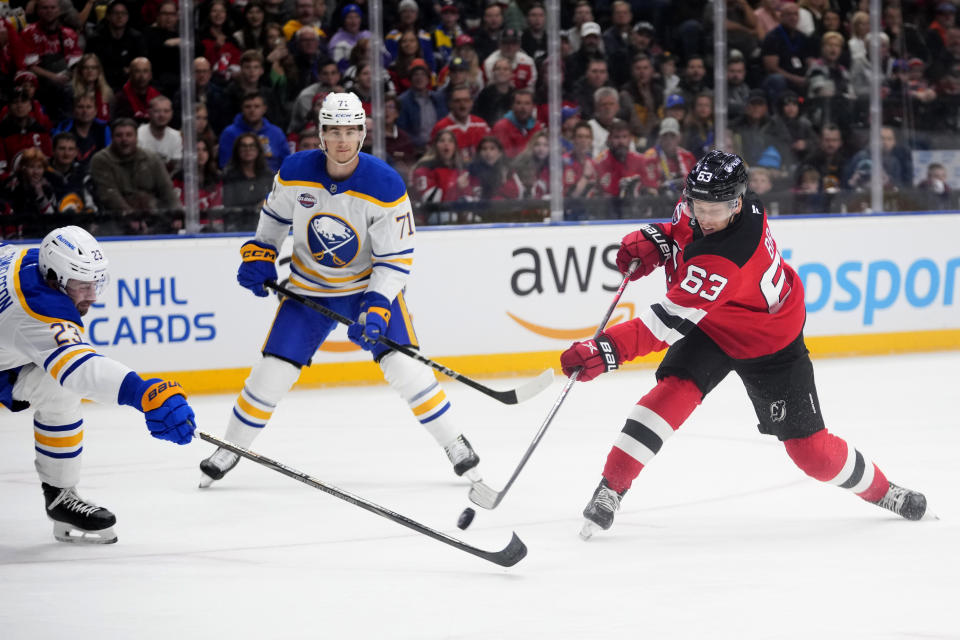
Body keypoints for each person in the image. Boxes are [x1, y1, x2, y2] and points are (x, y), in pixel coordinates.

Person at [559, 150, 930, 540]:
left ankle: (885, 491)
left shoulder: (729, 257)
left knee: (812, 454)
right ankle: (611, 487)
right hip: (714, 322)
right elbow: (684, 233)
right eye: (696, 204)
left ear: (737, 203)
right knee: (671, 393)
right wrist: (660, 239)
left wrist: (606, 350)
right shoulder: (712, 205)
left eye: (714, 209)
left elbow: (663, 323)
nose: (704, 215)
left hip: (769, 343)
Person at [197, 92, 485, 489]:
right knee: (271, 372)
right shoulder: (296, 170)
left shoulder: (384, 184)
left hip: (366, 289)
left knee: (404, 367)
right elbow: (274, 218)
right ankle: (232, 447)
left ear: (363, 133)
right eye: (334, 130)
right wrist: (261, 254)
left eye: (351, 130)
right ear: (321, 134)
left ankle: (455, 442)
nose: (343, 139)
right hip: (309, 290)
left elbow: (396, 257)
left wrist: (378, 305)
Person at [0, 226, 196, 543]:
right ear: (53, 277)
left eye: (96, 283)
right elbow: (80, 369)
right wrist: (144, 393)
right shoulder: (39, 308)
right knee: (64, 379)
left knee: (57, 389)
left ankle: (60, 496)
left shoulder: (28, 259)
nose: (92, 295)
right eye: (81, 285)